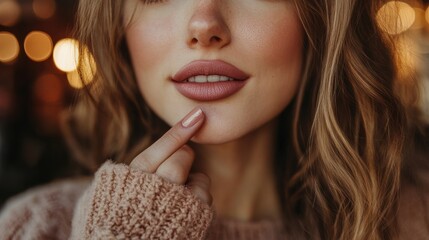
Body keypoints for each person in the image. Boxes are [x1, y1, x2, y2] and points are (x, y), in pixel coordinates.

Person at [0, 0, 427, 239]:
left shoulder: (412, 221)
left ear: (318, 18)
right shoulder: (35, 228)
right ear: (117, 30)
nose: (204, 25)